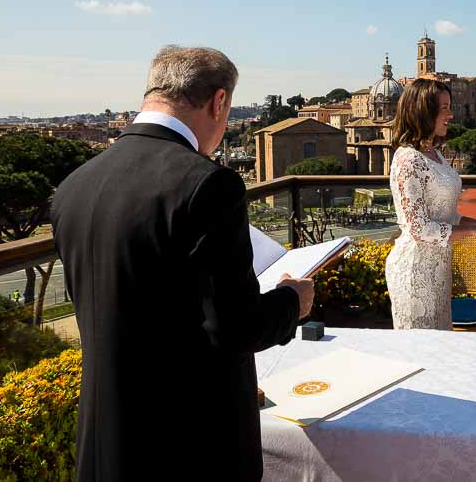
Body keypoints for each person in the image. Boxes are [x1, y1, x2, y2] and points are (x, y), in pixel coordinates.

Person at [51, 46, 314, 482]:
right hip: (190, 446)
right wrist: (292, 300)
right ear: (219, 102)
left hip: (104, 444)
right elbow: (235, 327)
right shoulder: (208, 184)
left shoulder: (73, 186)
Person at [386, 78, 476, 329]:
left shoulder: (434, 154)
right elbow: (419, 229)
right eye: (444, 108)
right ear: (422, 111)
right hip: (414, 271)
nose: (451, 114)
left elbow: (448, 216)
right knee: (420, 353)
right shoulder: (408, 159)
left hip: (438, 270)